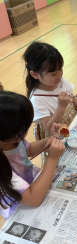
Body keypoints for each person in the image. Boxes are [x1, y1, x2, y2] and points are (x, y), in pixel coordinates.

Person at [0, 91, 65, 220]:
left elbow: (28, 150)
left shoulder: (12, 142)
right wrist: (52, 158)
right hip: (20, 205)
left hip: (33, 182)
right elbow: (34, 199)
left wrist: (50, 139)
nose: (26, 132)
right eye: (21, 130)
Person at [23, 42, 77, 138]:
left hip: (73, 125)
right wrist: (61, 106)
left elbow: (72, 100)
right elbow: (50, 128)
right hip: (57, 136)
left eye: (60, 69)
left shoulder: (60, 81)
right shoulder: (36, 99)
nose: (59, 75)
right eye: (53, 74)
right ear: (35, 75)